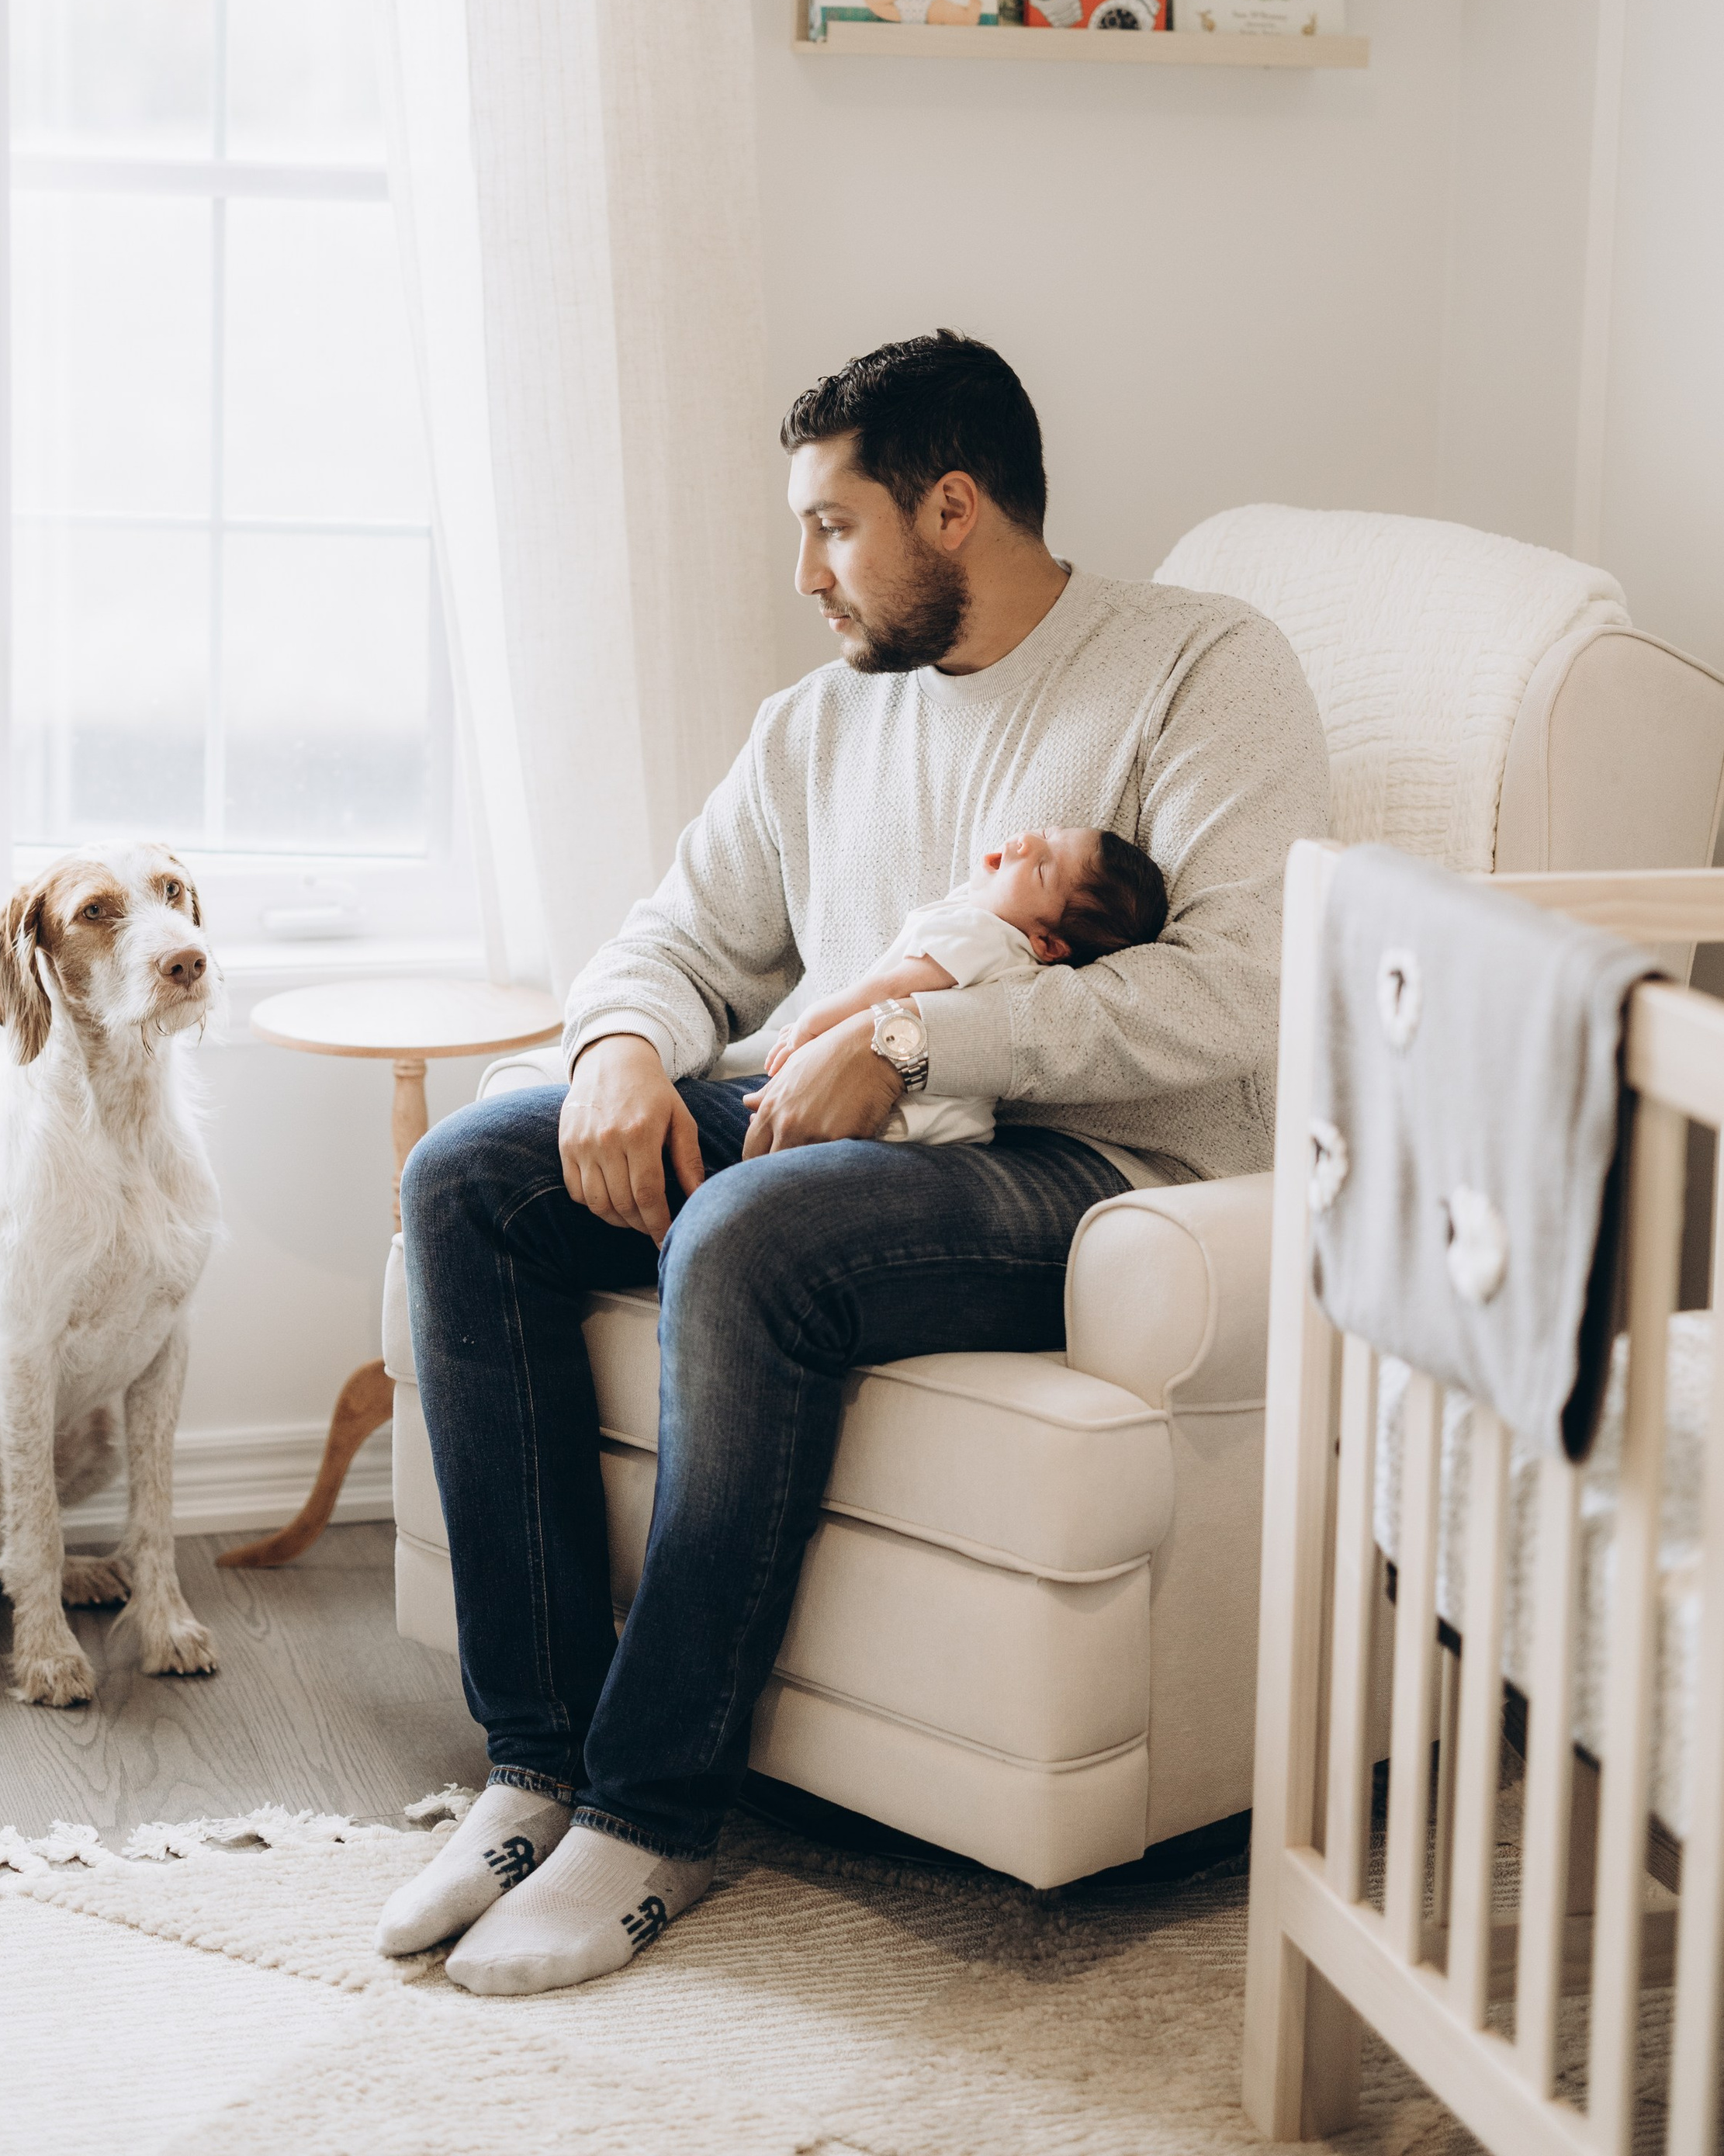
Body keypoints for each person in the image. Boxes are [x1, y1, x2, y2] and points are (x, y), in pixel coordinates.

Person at [379, 331, 1328, 1996]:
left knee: (751, 1232)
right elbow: (677, 935)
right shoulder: (817, 724)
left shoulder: (1200, 667)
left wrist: (908, 1047)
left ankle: (651, 1809)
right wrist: (615, 1049)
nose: (804, 572)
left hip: (1097, 1183)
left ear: (951, 507)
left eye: (831, 527)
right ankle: (531, 1767)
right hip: (824, 1123)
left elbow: (1235, 995)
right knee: (472, 1178)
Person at [759, 823, 1168, 1146]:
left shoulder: (983, 934)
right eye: (1046, 834)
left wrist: (811, 1024)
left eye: (1043, 869)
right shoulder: (999, 934)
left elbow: (892, 989)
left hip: (906, 1124)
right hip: (943, 1127)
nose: (1025, 842)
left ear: (1049, 943)